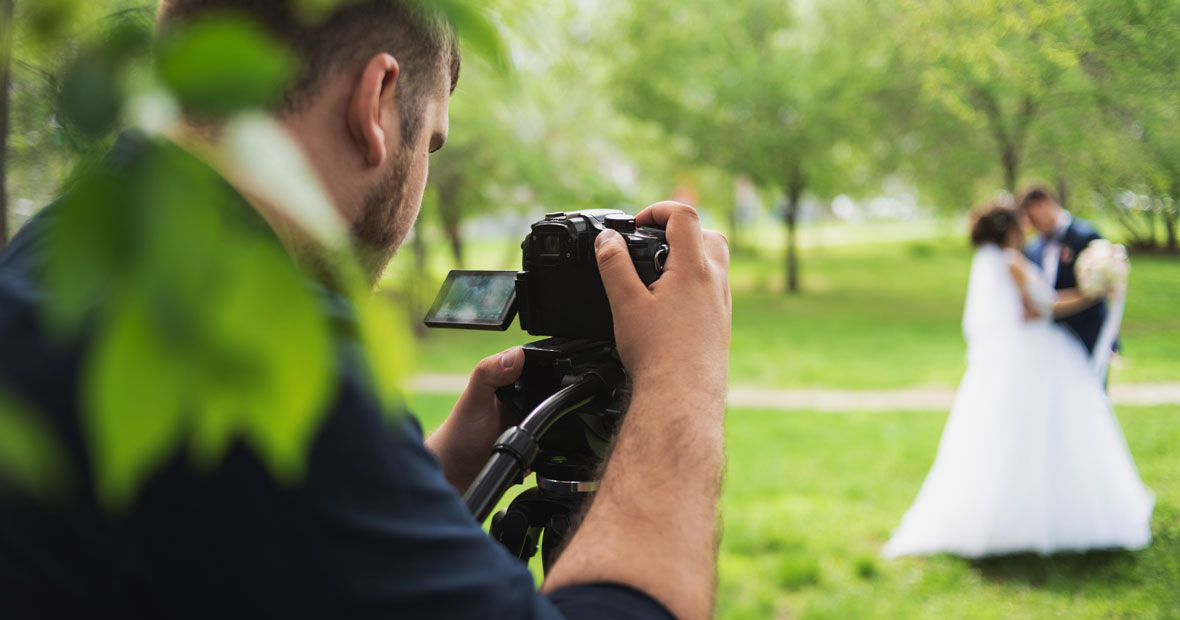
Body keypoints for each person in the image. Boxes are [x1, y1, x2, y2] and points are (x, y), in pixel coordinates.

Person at [0, 1, 732, 618]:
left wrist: (428, 471)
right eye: (432, 142)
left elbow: (250, 549)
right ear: (376, 102)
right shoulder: (254, 352)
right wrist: (681, 381)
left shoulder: (61, 256)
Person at [882, 202, 1153, 559]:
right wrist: (1092, 293)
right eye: (1020, 224)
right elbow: (1047, 306)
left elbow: (1028, 308)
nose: (1026, 228)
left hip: (1015, 353)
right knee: (1049, 431)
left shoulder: (994, 261)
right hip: (1033, 353)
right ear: (1010, 229)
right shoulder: (1010, 261)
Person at [1020, 188, 1110, 356]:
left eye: (1032, 217)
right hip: (1048, 339)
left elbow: (1102, 290)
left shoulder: (1086, 236)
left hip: (1088, 335)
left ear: (1044, 202)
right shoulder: (1032, 248)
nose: (1031, 224)